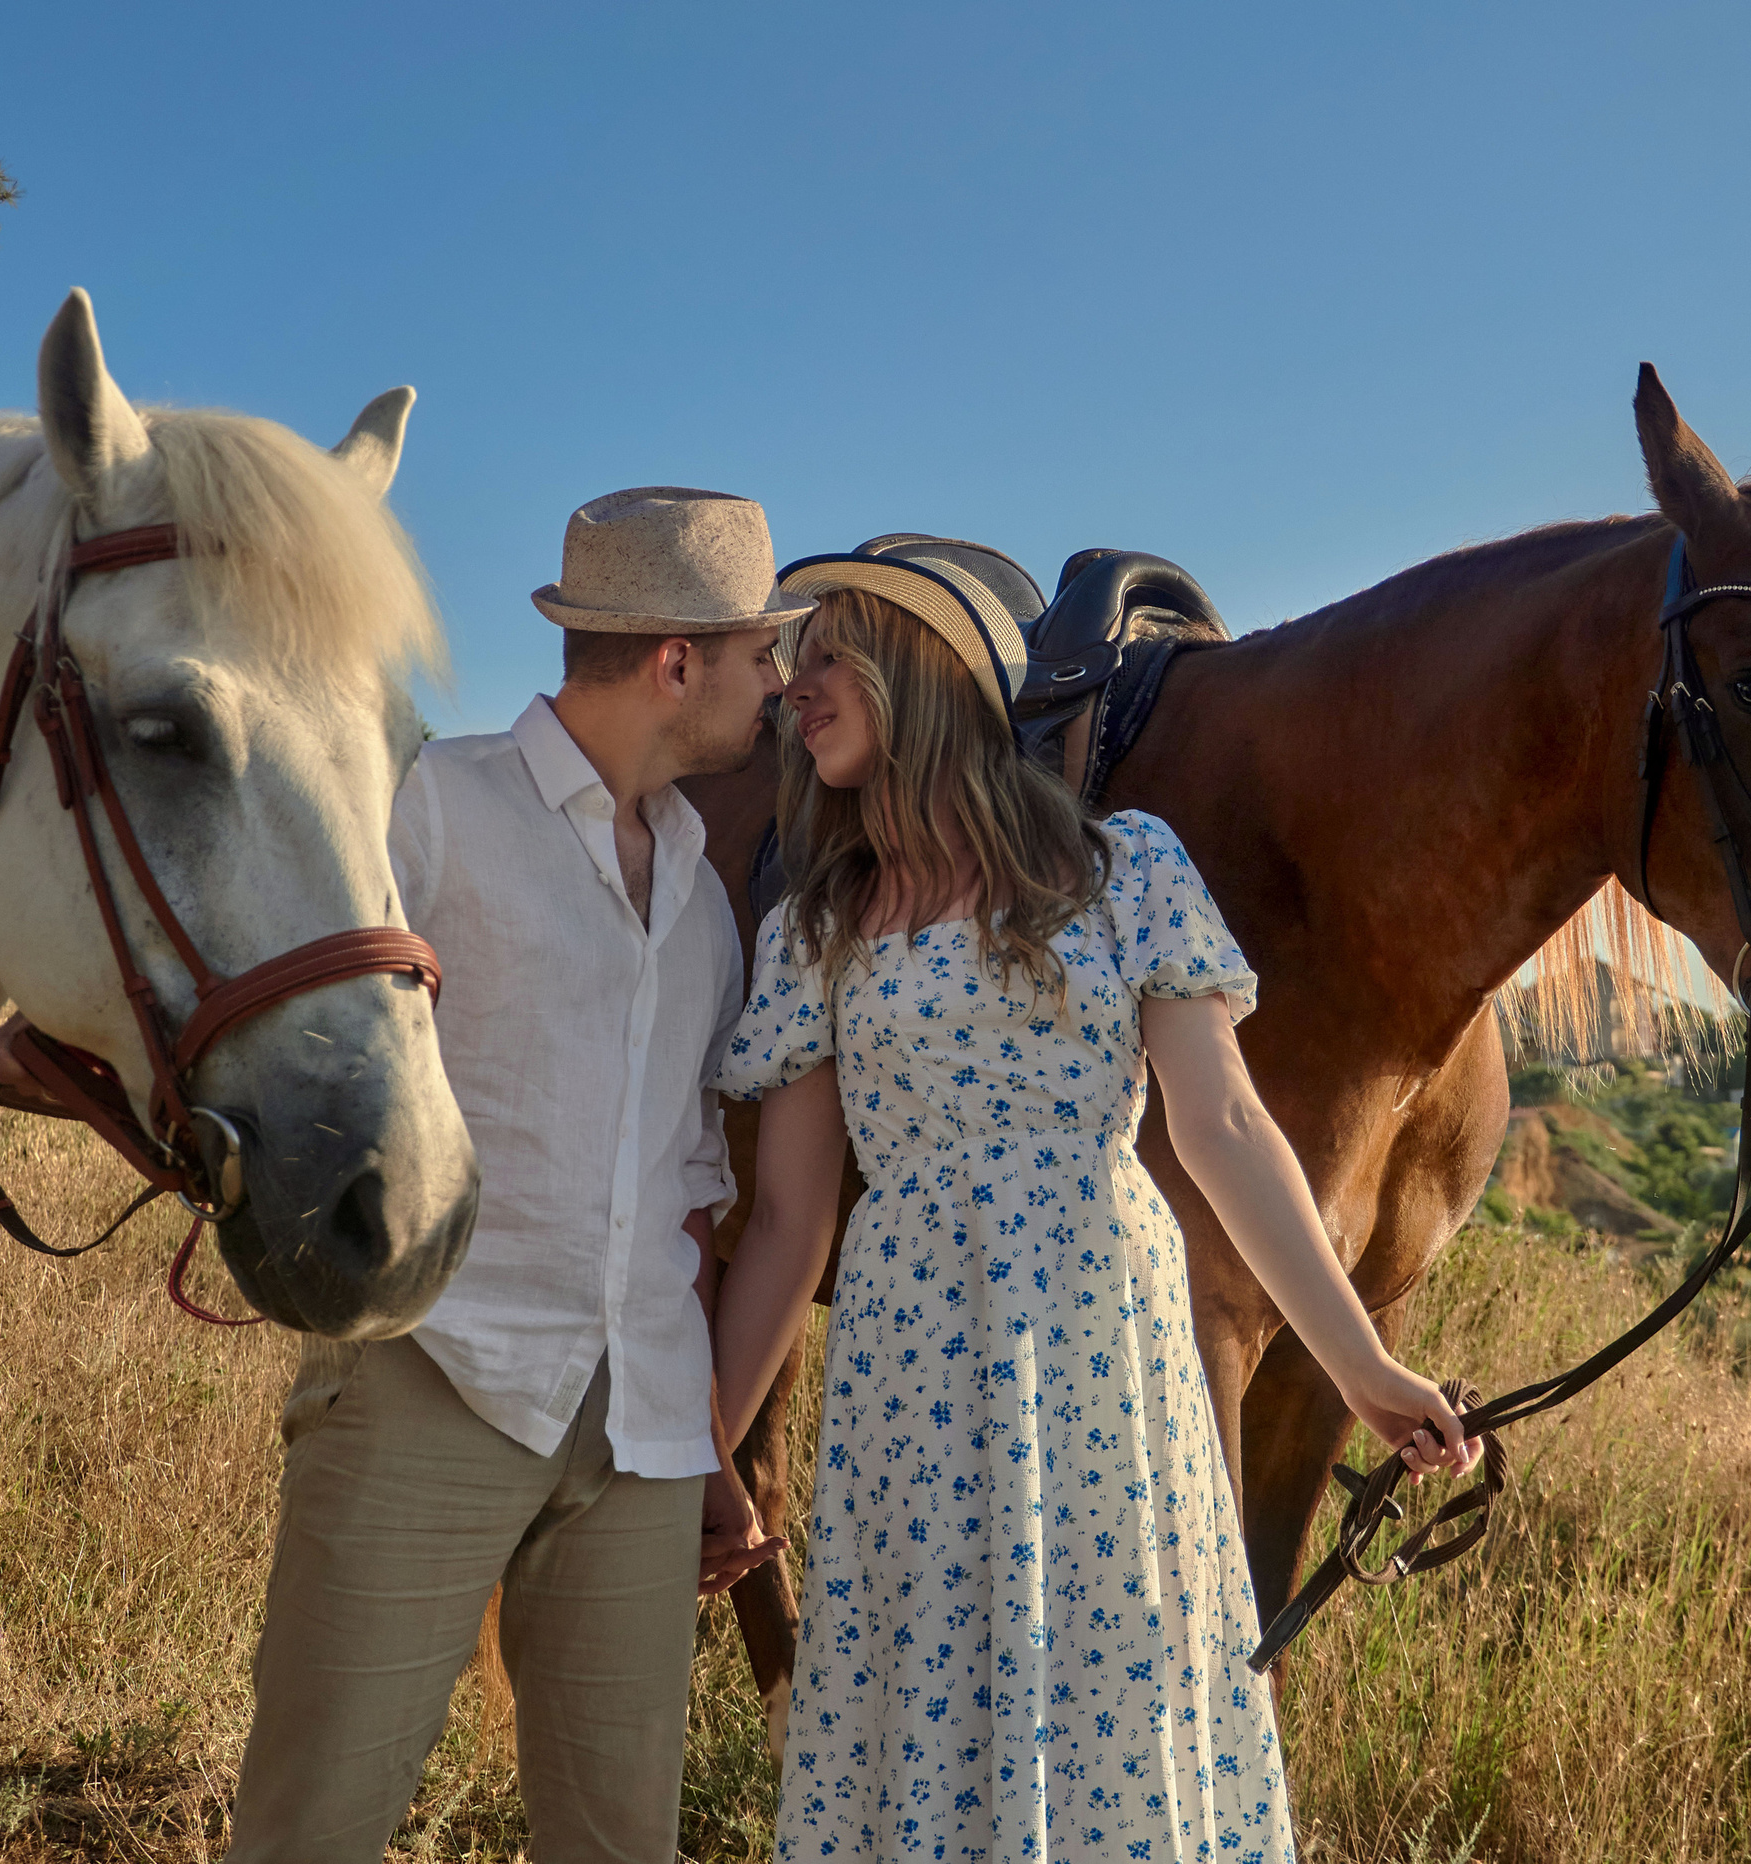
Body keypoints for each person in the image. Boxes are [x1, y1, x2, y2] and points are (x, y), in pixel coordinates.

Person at [710, 542, 1481, 1864]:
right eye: (794, 662)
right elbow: (788, 1224)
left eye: (831, 652)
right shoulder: (813, 931)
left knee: (1116, 1700)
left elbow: (1225, 1126)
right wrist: (708, 1451)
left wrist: (1361, 1364)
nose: (798, 684)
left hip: (1105, 1348)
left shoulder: (1122, 870)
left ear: (926, 671)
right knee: (929, 1717)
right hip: (914, 1367)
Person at [227, 488, 796, 1864]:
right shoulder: (436, 809)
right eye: (760, 656)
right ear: (678, 661)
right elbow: (302, 1044)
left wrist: (706, 1446)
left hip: (647, 1433)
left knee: (619, 1845)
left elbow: (682, 1185)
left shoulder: (706, 896)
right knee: (316, 1825)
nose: (778, 686)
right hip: (434, 1375)